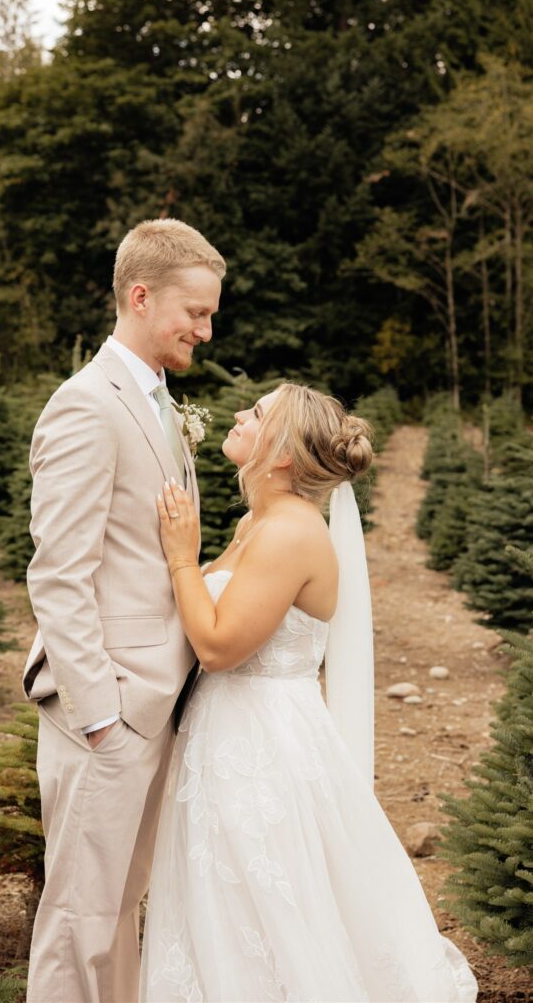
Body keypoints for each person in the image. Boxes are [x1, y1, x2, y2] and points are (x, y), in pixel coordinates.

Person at [141, 383, 478, 1002]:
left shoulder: (291, 532)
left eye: (259, 412)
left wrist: (182, 559)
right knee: (223, 902)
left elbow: (218, 646)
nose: (241, 411)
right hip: (224, 733)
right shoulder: (255, 521)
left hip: (263, 745)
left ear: (285, 454)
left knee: (268, 907)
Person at [22, 218, 225, 1003]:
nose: (205, 331)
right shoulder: (84, 406)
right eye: (195, 314)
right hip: (106, 718)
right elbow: (59, 574)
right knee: (79, 920)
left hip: (159, 706)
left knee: (121, 915)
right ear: (140, 297)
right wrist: (101, 717)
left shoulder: (160, 402)